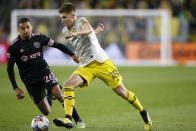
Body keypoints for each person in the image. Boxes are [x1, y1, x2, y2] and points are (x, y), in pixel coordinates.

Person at [53, 3, 152, 131]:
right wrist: (96, 32)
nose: (63, 20)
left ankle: (143, 112)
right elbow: (89, 35)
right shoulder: (65, 30)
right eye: (61, 18)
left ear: (73, 16)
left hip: (102, 63)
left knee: (121, 92)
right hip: (86, 66)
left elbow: (87, 30)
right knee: (68, 85)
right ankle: (68, 118)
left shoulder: (81, 21)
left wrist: (78, 33)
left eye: (65, 17)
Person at [7, 17, 85, 128]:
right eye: (23, 28)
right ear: (18, 30)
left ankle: (78, 121)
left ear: (31, 27)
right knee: (46, 111)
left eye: (28, 27)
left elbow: (57, 45)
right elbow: (9, 68)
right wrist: (15, 87)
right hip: (30, 81)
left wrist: (72, 55)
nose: (26, 30)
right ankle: (49, 93)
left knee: (60, 95)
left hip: (44, 73)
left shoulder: (39, 38)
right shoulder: (13, 46)